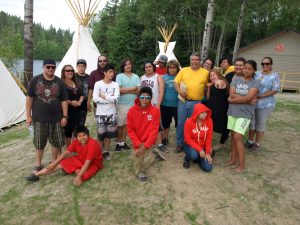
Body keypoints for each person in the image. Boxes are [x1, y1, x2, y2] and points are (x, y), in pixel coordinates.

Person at [25, 59, 68, 174]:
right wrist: (28, 116)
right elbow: (29, 99)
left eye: (53, 67)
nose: (50, 69)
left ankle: (53, 161)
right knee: (39, 143)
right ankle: (38, 164)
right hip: (39, 118)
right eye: (48, 67)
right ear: (43, 67)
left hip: (57, 118)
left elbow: (64, 100)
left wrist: (65, 116)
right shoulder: (35, 80)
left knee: (57, 142)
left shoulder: (59, 82)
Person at [26, 126, 103, 187]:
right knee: (57, 165)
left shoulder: (93, 144)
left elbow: (87, 163)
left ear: (88, 135)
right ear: (76, 137)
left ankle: (75, 170)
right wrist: (54, 163)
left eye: (84, 135)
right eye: (79, 136)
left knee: (84, 176)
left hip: (92, 163)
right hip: (79, 159)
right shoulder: (76, 142)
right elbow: (66, 153)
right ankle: (36, 175)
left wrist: (78, 176)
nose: (82, 138)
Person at [225, 60, 259, 174]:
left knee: (237, 138)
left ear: (254, 70)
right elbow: (231, 95)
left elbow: (246, 98)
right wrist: (247, 99)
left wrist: (244, 99)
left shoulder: (255, 83)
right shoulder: (235, 79)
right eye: (245, 68)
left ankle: (241, 166)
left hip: (245, 114)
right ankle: (233, 159)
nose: (246, 71)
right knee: (233, 136)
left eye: (250, 69)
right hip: (232, 112)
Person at [127, 87, 166, 183]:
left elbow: (154, 131)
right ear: (138, 97)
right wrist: (139, 145)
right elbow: (130, 130)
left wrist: (145, 146)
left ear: (151, 99)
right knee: (138, 155)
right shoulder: (131, 111)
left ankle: (140, 171)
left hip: (148, 142)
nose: (145, 99)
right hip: (138, 142)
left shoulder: (155, 111)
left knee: (142, 156)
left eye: (148, 98)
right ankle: (152, 157)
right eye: (142, 97)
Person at [174, 52, 209, 153]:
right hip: (183, 101)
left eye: (196, 59)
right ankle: (180, 144)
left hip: (197, 103)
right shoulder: (183, 70)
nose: (194, 61)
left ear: (200, 61)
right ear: (190, 61)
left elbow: (209, 85)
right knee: (181, 124)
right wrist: (180, 92)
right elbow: (176, 83)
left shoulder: (205, 73)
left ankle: (195, 143)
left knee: (196, 124)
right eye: (192, 59)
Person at [245, 57, 280, 151]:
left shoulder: (274, 75)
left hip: (265, 104)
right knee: (252, 123)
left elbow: (275, 90)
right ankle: (250, 140)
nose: (265, 65)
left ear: (271, 64)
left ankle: (257, 143)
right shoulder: (257, 74)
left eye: (267, 63)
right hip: (253, 102)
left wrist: (261, 96)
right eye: (263, 63)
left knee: (260, 123)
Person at [93, 64, 120, 160]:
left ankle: (106, 151)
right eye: (110, 72)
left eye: (113, 72)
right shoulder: (98, 84)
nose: (112, 74)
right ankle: (100, 152)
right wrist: (109, 99)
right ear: (105, 73)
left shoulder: (115, 84)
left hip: (111, 112)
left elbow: (116, 98)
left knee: (109, 134)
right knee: (101, 135)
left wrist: (104, 96)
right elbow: (95, 99)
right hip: (100, 113)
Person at [115, 58, 141, 152]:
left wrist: (127, 90)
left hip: (133, 105)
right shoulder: (119, 76)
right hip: (122, 104)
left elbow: (139, 91)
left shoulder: (136, 76)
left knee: (127, 124)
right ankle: (118, 143)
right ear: (123, 67)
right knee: (120, 125)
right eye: (126, 64)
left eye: (129, 64)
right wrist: (133, 89)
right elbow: (119, 90)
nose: (128, 66)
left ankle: (123, 142)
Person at [140, 61, 165, 151]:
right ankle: (147, 142)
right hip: (143, 105)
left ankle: (160, 144)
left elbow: (161, 92)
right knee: (145, 124)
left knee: (156, 125)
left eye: (150, 66)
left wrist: (158, 104)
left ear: (153, 67)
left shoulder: (158, 77)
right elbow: (139, 92)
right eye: (146, 67)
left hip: (154, 104)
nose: (148, 68)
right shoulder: (141, 78)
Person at [182, 103, 213, 172]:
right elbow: (188, 139)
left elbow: (209, 138)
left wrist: (207, 153)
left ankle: (199, 159)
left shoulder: (209, 121)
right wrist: (200, 150)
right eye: (202, 112)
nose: (205, 114)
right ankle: (187, 160)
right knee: (193, 155)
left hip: (203, 146)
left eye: (206, 112)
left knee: (208, 168)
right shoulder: (189, 122)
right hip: (191, 145)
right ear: (197, 112)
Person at [206, 69, 230, 151]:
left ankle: (221, 143)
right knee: (211, 124)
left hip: (220, 107)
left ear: (219, 75)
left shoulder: (220, 81)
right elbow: (208, 98)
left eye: (214, 75)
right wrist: (209, 88)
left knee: (222, 124)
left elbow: (219, 85)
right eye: (211, 75)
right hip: (212, 106)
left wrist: (216, 83)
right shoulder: (213, 84)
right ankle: (209, 141)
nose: (212, 77)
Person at [61, 64, 84, 147]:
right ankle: (68, 149)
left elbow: (81, 94)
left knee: (77, 129)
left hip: (78, 110)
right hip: (67, 110)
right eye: (67, 70)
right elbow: (60, 98)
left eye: (72, 70)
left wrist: (80, 102)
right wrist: (71, 102)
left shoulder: (76, 82)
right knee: (68, 131)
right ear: (63, 72)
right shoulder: (61, 83)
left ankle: (75, 147)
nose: (70, 72)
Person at [161, 60, 180, 147]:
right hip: (165, 104)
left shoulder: (180, 77)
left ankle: (180, 140)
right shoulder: (163, 77)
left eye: (174, 67)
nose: (172, 69)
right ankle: (165, 138)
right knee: (166, 123)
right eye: (170, 67)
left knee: (179, 123)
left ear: (177, 68)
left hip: (178, 105)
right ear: (167, 68)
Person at [75, 59, 90, 126]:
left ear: (86, 67)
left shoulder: (89, 77)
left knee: (81, 123)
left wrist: (88, 102)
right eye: (79, 66)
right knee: (73, 124)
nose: (81, 68)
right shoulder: (73, 76)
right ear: (77, 67)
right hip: (74, 103)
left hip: (84, 104)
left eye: (83, 66)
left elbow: (90, 91)